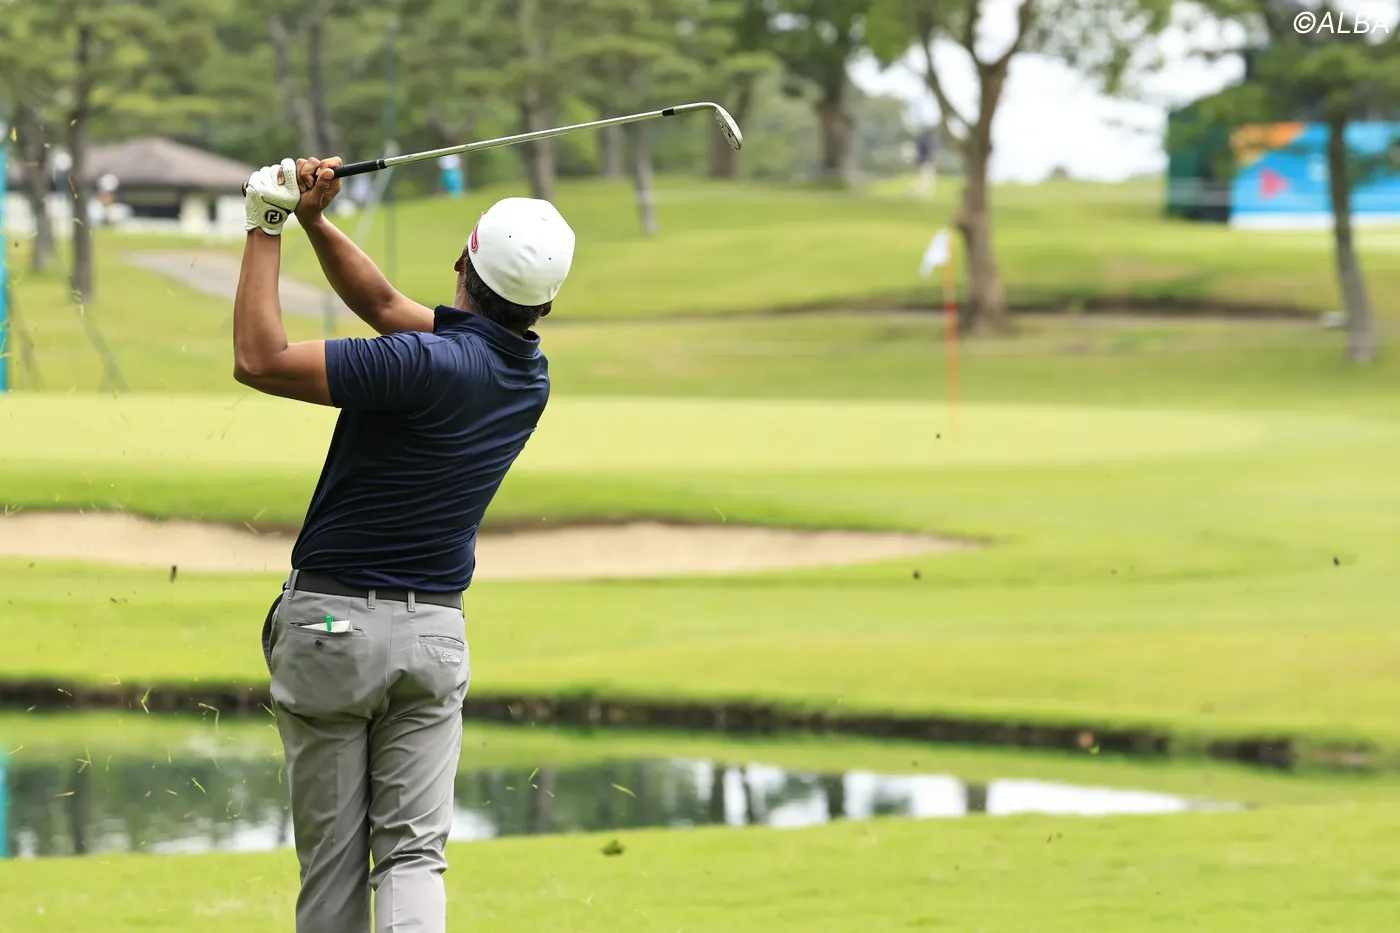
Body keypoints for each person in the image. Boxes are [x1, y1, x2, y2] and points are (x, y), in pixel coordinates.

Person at [232, 157, 575, 933]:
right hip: (434, 640)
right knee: (414, 857)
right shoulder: (529, 377)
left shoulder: (416, 363)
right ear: (545, 303)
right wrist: (314, 221)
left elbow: (259, 358)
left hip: (331, 629)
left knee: (333, 864)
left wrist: (266, 225)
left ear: (462, 262)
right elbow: (385, 304)